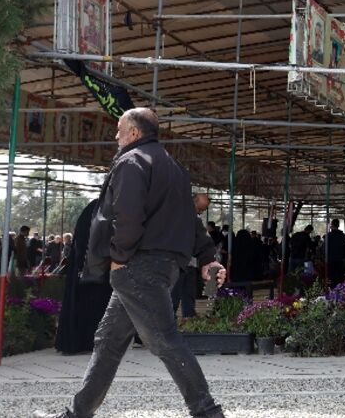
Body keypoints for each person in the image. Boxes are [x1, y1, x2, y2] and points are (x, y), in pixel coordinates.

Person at [34, 108, 227, 418]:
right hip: (160, 266)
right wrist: (206, 256)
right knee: (108, 341)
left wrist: (119, 258)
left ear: (135, 133)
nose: (116, 136)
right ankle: (77, 413)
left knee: (164, 340)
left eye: (119, 130)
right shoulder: (174, 167)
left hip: (138, 265)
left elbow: (127, 216)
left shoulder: (132, 162)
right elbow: (189, 219)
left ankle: (208, 413)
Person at [55, 200, 114, 355]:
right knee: (95, 307)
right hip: (96, 269)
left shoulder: (95, 208)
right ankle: (90, 340)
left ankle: (79, 341)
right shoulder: (103, 210)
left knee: (81, 306)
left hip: (86, 268)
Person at [171, 193, 212, 319]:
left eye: (203, 210)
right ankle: (169, 316)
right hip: (178, 260)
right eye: (200, 209)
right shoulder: (179, 216)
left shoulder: (195, 219)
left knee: (189, 289)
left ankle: (189, 314)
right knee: (175, 290)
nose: (200, 212)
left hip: (191, 261)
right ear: (193, 202)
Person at [324, 218, 345, 286]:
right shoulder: (343, 236)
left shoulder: (328, 236)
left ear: (332, 225)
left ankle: (331, 294)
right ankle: (340, 293)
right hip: (340, 261)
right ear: (338, 225)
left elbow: (324, 248)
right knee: (339, 279)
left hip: (330, 260)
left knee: (331, 279)